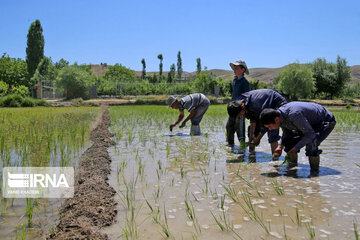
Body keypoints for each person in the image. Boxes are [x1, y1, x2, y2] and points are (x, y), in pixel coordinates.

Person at [259, 102, 336, 171]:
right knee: (289, 143)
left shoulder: (294, 115)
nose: (270, 129)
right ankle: (292, 170)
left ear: (276, 120)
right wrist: (280, 146)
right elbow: (287, 132)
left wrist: (294, 149)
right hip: (307, 122)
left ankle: (314, 174)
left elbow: (310, 134)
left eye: (269, 126)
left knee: (312, 144)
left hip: (324, 120)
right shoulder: (280, 115)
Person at [227, 89, 287, 154]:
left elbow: (266, 121)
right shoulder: (244, 102)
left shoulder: (254, 103)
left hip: (275, 104)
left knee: (272, 131)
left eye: (239, 114)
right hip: (262, 108)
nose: (241, 116)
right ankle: (251, 154)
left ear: (242, 107)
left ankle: (275, 158)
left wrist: (258, 138)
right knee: (251, 133)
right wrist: (252, 134)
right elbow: (253, 119)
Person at [226, 59, 250, 146]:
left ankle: (242, 147)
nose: (234, 70)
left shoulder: (245, 82)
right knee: (229, 127)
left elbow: (247, 96)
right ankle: (231, 146)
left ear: (243, 69)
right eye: (234, 68)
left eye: (237, 68)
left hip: (240, 108)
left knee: (240, 128)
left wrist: (242, 109)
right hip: (233, 108)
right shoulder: (235, 80)